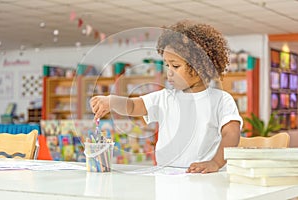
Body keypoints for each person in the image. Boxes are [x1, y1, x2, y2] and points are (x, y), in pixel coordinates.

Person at [90, 20, 243, 173]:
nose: (169, 72)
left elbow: (231, 134)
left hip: (204, 177)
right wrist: (111, 101)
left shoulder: (221, 100)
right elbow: (133, 105)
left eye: (175, 66)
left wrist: (215, 163)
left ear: (200, 67)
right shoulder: (164, 98)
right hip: (166, 176)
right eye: (167, 65)